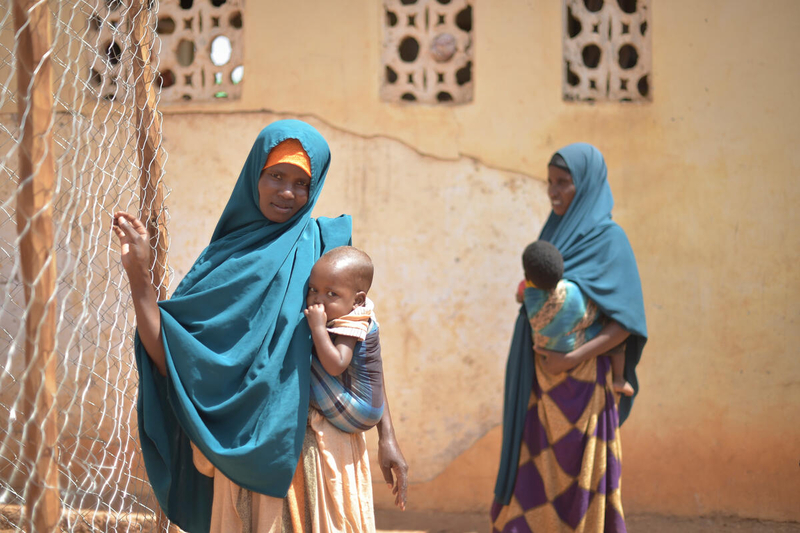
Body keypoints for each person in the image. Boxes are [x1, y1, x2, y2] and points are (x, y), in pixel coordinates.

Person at [113, 120, 407, 533]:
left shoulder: (326, 248)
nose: (287, 192)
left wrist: (386, 436)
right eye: (276, 176)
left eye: (301, 182)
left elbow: (361, 342)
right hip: (245, 455)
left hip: (323, 458)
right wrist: (139, 277)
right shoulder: (221, 262)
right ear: (255, 174)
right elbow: (172, 357)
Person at [492, 144, 647, 533]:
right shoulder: (555, 233)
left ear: (588, 185)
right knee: (535, 474)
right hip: (539, 383)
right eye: (550, 182)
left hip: (585, 387)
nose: (553, 192)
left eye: (564, 183)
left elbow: (624, 324)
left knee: (583, 478)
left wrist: (570, 357)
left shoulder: (611, 241)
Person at [521, 240, 633, 396]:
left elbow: (520, 295)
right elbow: (595, 312)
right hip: (569, 347)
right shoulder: (572, 293)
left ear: (527, 275)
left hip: (545, 347)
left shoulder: (528, 292)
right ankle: (619, 379)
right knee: (615, 330)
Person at [305, 246, 385, 433]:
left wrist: (317, 329)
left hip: (359, 410)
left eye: (331, 294)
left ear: (357, 300)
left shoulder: (354, 322)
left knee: (294, 353)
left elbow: (336, 365)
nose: (318, 300)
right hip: (362, 408)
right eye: (313, 290)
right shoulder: (354, 310)